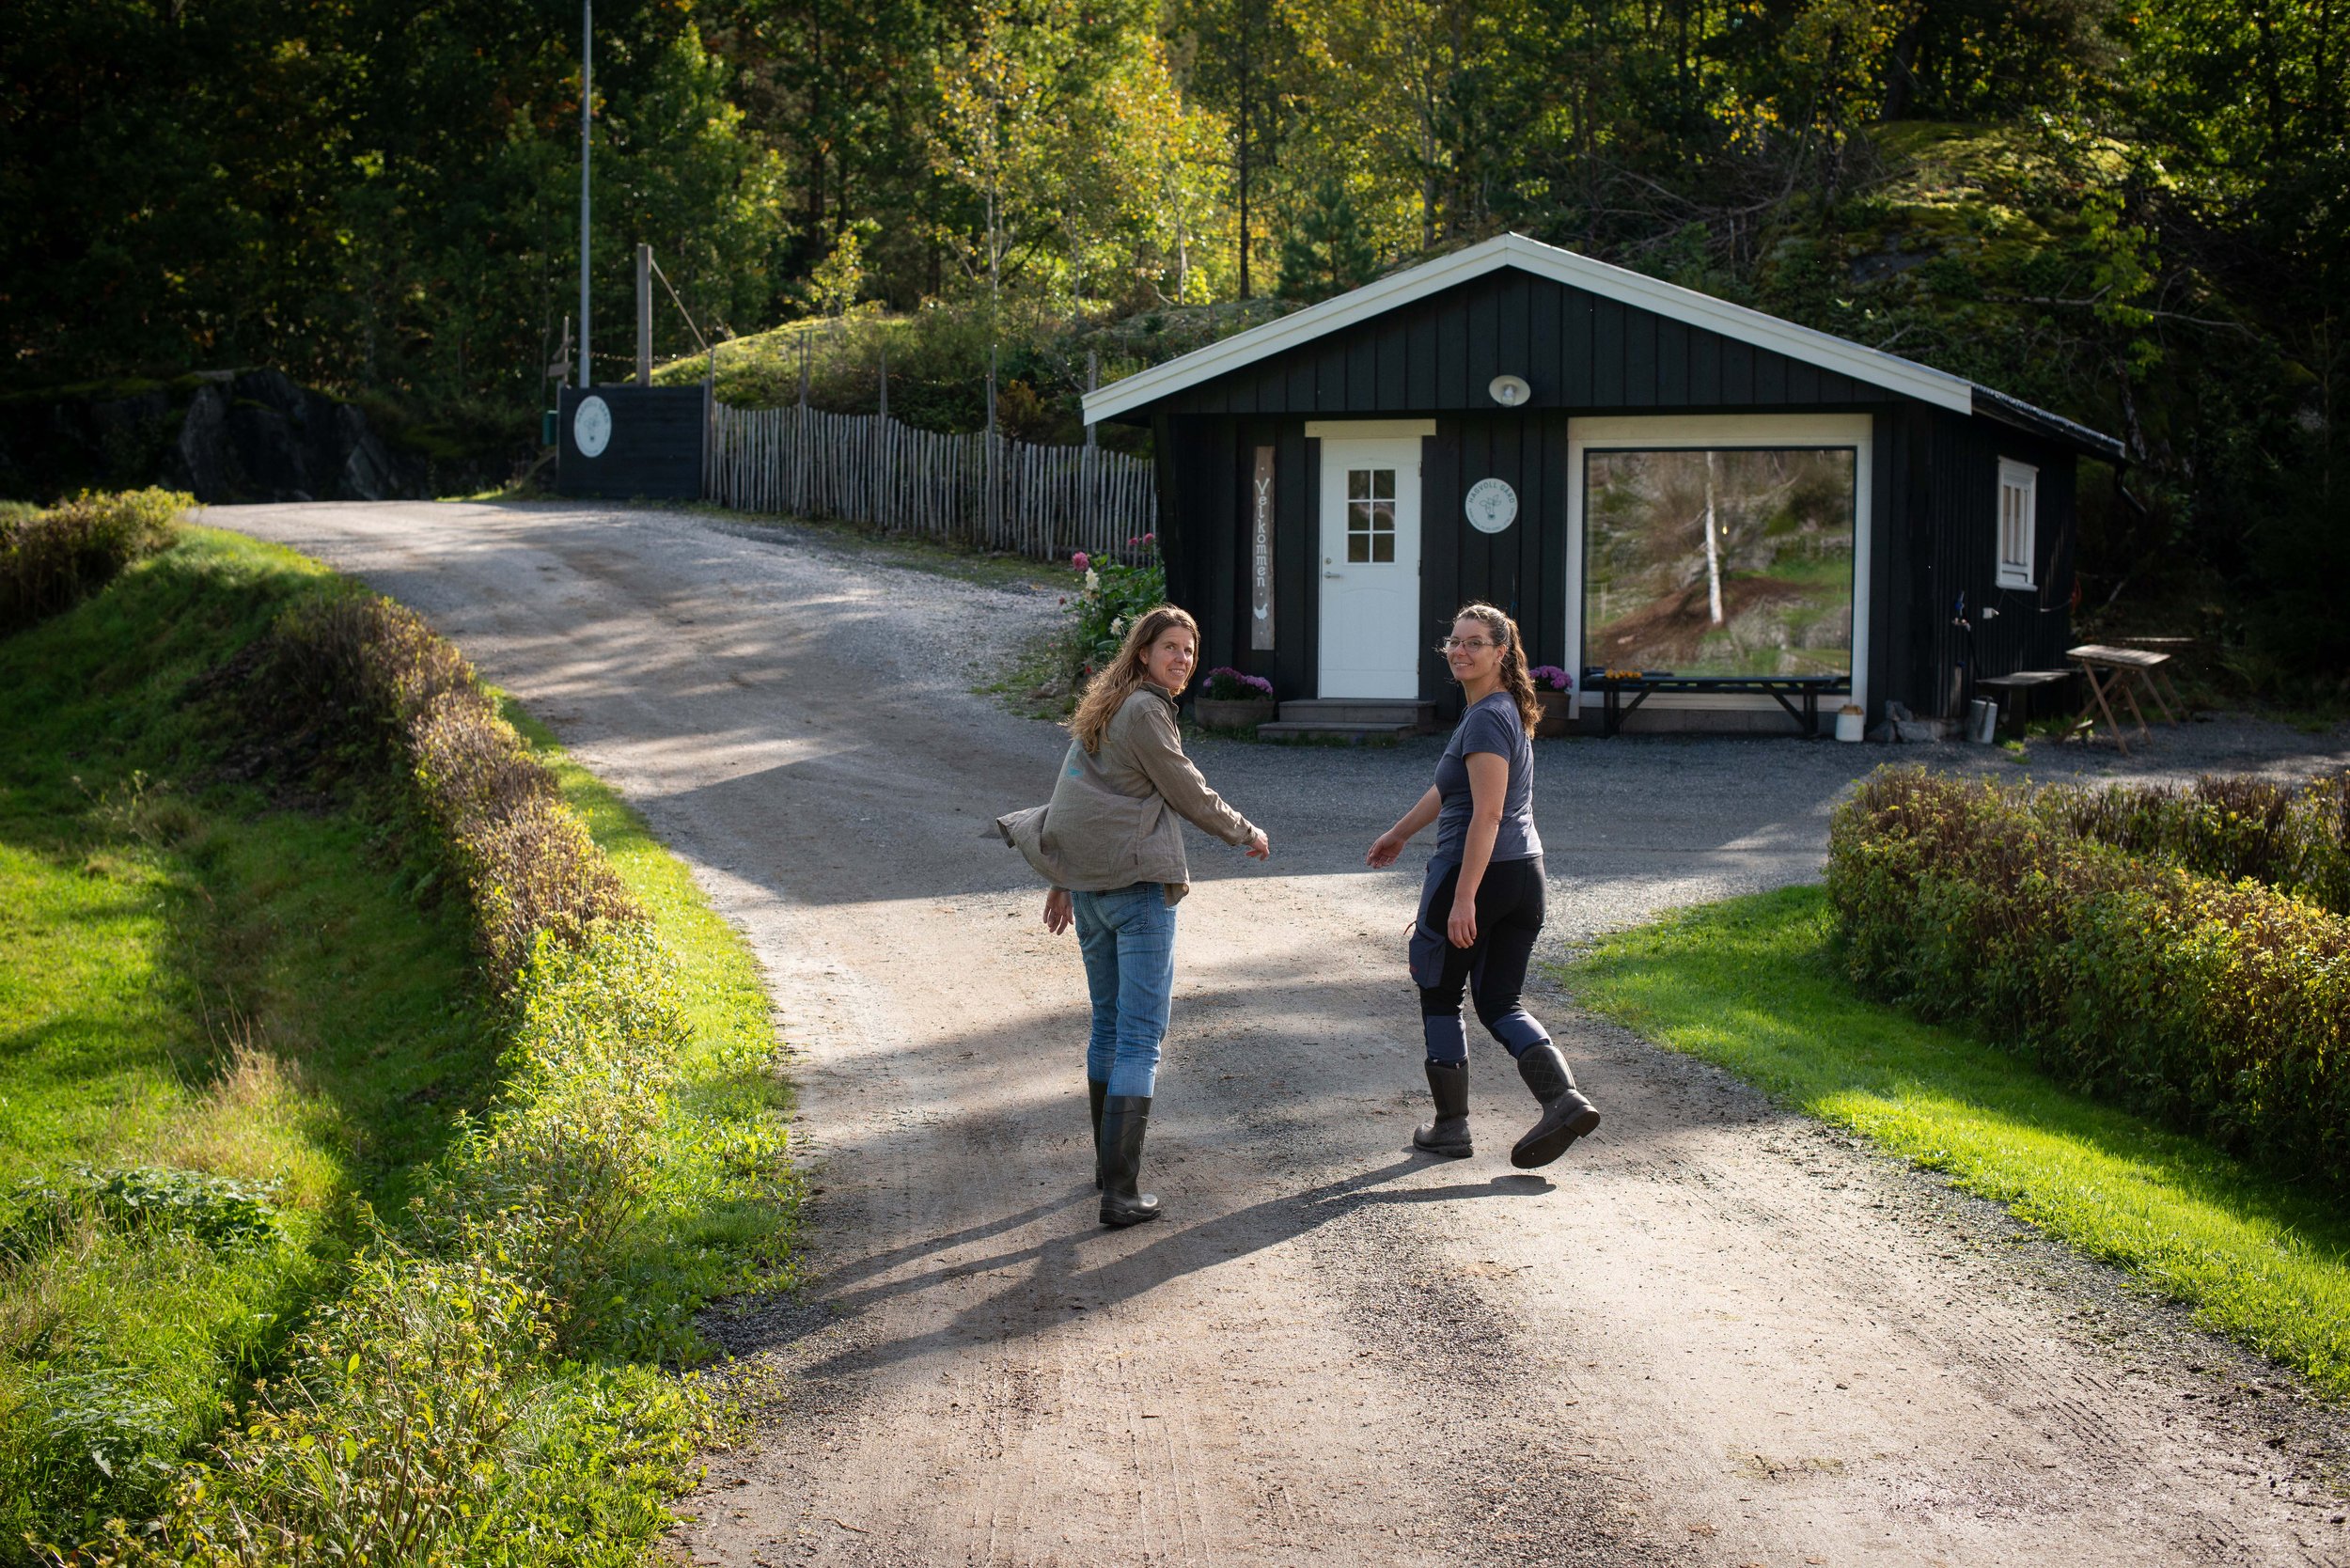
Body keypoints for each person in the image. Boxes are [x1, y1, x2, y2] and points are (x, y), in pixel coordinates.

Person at [997, 605, 1270, 1227]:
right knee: (1140, 1037)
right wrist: (1243, 831)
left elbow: (1072, 797)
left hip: (1092, 890)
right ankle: (1121, 1194)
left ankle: (1106, 1167)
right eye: (1171, 647)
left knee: (1111, 1027)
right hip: (1137, 887)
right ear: (1144, 653)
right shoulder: (1146, 710)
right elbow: (1186, 789)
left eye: (1190, 651)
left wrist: (1065, 876)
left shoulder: (1107, 705)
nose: (1182, 659)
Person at [1366, 603, 1599, 1168]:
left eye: (1475, 643)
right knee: (1499, 1001)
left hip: (1482, 873)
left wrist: (1465, 895)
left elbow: (1487, 815)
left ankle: (1451, 1128)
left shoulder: (1488, 717)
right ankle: (1563, 1101)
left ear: (1501, 652)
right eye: (1455, 641)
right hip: (1525, 876)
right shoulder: (1501, 712)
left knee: (1441, 992)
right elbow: (1451, 790)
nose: (1460, 650)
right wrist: (1399, 833)